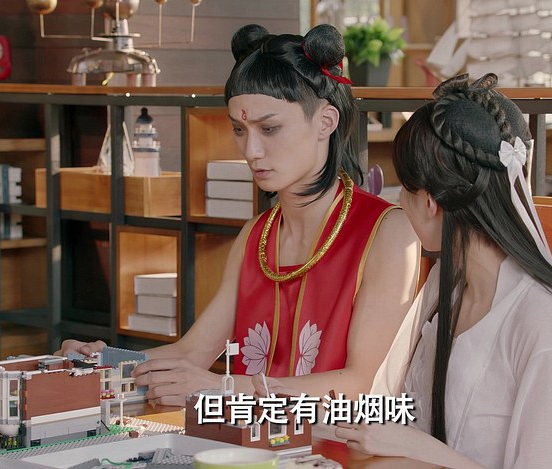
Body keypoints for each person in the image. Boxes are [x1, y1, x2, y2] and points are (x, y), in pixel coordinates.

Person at [58, 23, 421, 406]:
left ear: (326, 122)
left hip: (339, 439)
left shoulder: (388, 232)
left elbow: (361, 384)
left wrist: (220, 389)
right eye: (239, 129)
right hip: (252, 435)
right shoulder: (257, 236)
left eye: (270, 128)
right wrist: (99, 364)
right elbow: (191, 354)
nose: (251, 150)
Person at [331, 74, 552, 468]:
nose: (399, 203)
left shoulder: (541, 322)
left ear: (429, 202)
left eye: (404, 190)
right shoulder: (446, 286)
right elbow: (400, 412)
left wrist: (422, 449)